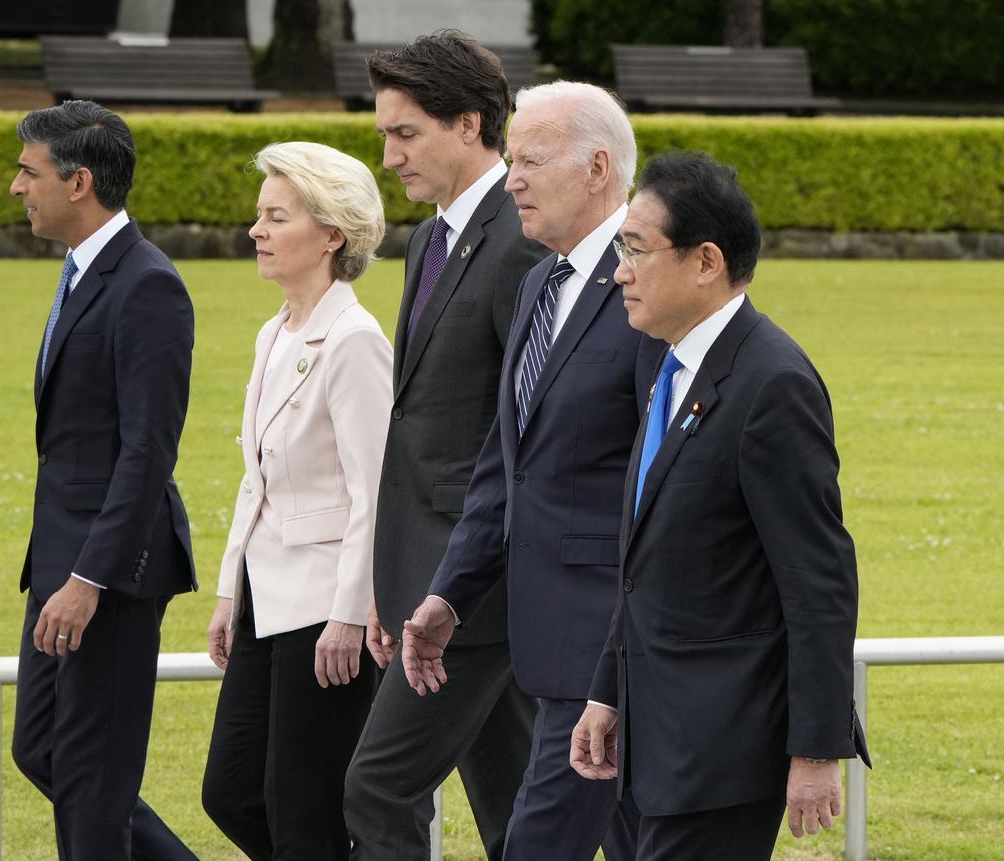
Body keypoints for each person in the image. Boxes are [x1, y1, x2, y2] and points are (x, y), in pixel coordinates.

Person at [570, 152, 871, 861]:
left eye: (636, 249)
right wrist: (608, 691)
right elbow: (649, 562)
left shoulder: (773, 384)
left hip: (722, 753)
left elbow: (818, 580)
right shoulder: (674, 368)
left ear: (706, 261)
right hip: (653, 744)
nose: (619, 271)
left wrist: (817, 748)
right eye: (621, 249)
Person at [399, 81, 660, 860]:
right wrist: (450, 592)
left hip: (615, 656)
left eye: (530, 159)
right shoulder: (538, 283)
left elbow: (666, 482)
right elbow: (503, 468)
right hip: (544, 647)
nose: (510, 177)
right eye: (510, 158)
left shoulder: (650, 287)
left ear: (598, 169)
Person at [343, 31, 547, 861]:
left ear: (470, 125)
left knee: (378, 787)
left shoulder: (523, 240)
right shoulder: (428, 239)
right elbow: (419, 428)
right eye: (385, 132)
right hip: (432, 579)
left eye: (405, 133)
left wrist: (446, 587)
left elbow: (519, 438)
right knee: (518, 819)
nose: (387, 155)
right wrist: (395, 582)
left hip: (479, 590)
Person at [7, 100, 198, 860]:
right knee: (42, 749)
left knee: (93, 784)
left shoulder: (148, 285)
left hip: (109, 575)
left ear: (79, 180)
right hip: (59, 562)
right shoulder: (83, 271)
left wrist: (90, 577)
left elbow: (147, 453)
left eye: (28, 171)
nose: (16, 186)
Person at [201, 141, 393, 860]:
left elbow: (374, 491)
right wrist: (228, 592)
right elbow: (257, 478)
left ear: (332, 235)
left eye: (276, 216)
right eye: (260, 215)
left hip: (323, 611)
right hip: (264, 597)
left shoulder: (354, 340)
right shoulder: (272, 333)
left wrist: (350, 613)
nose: (257, 230)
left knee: (302, 811)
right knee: (231, 792)